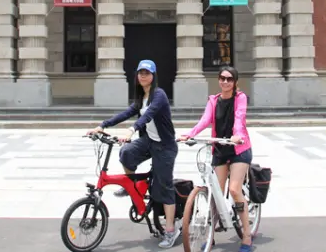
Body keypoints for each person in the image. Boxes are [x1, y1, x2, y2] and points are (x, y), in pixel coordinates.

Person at [87, 59, 180, 249]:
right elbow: (126, 113)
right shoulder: (141, 96)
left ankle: (171, 230)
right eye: (140, 73)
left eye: (147, 73)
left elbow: (149, 115)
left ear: (153, 76)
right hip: (149, 141)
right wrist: (103, 125)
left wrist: (131, 130)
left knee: (164, 187)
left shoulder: (159, 95)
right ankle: (133, 186)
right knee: (126, 152)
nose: (143, 76)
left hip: (165, 146)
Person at [178, 66, 254, 252]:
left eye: (229, 79)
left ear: (235, 82)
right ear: (219, 80)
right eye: (222, 78)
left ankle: (246, 235)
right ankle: (210, 236)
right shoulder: (213, 100)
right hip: (220, 148)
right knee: (215, 194)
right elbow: (205, 120)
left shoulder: (240, 98)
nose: (225, 82)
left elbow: (239, 118)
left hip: (238, 149)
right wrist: (190, 134)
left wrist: (237, 135)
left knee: (234, 190)